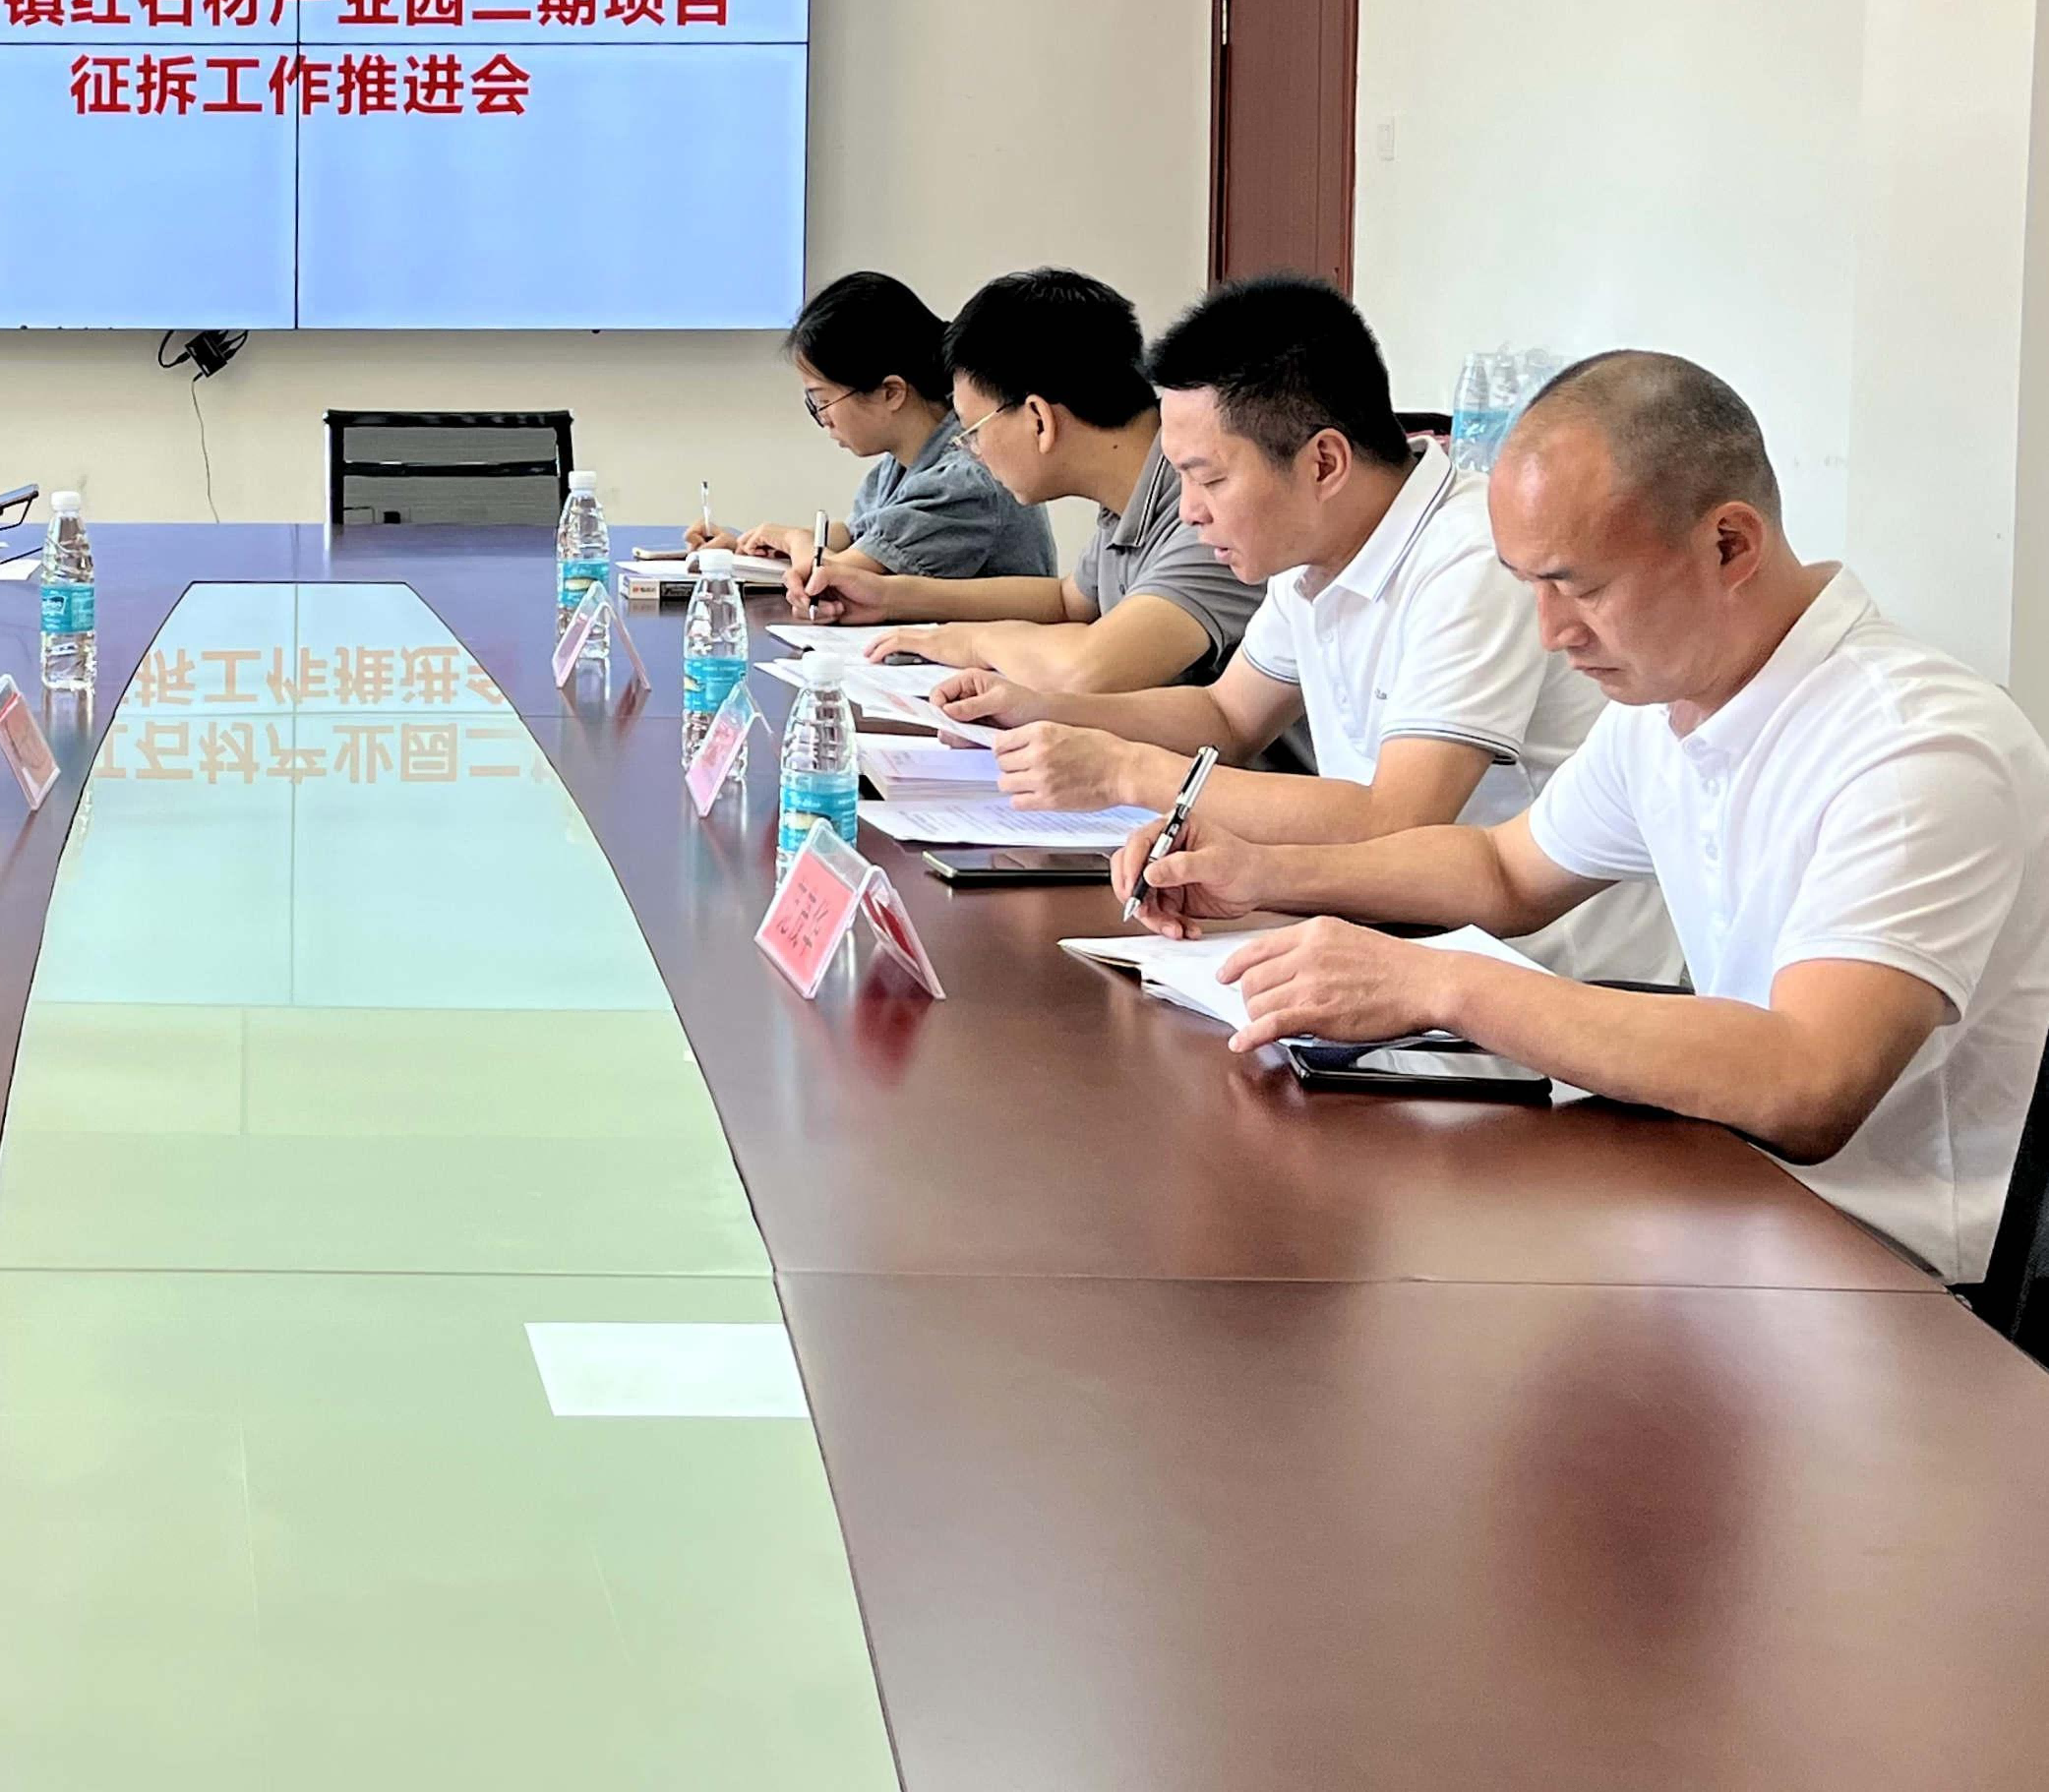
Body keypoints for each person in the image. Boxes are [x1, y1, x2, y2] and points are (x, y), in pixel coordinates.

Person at [1123, 352, 2049, 1283]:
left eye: (1581, 586)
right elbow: (1506, 872)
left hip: (1896, 1266)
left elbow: (1806, 1081)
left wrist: (1441, 985)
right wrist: (1259, 871)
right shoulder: (1671, 702)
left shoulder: (1917, 746)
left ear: (1729, 544)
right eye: (1529, 585)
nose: (1552, 632)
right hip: (1728, 1187)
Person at [934, 277, 1666, 975]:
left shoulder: (1474, 557)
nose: (1189, 510)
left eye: (1209, 478)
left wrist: (1128, 772)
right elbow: (1226, 716)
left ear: (1323, 463)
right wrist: (1042, 710)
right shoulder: (1310, 552)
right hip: (1400, 940)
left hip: (1553, 974)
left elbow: (1399, 816)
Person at [792, 268, 1262, 692]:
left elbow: (1091, 667)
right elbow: (1067, 602)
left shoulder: (1207, 510)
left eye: (973, 432)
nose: (971, 450)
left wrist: (970, 642)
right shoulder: (1134, 490)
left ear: (1039, 419)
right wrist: (887, 597)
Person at [689, 270, 1053, 581]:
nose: (823, 418)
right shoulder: (899, 465)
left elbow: (838, 576)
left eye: (822, 400)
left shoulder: (963, 481)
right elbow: (857, 536)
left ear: (891, 392)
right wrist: (750, 549)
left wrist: (794, 541)